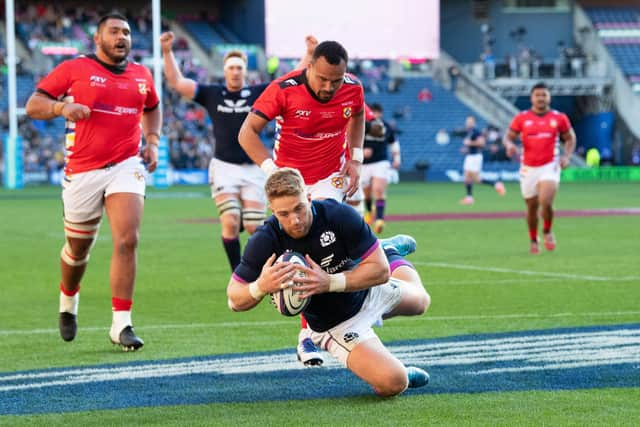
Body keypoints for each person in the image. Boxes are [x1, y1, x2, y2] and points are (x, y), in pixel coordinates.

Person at [226, 168, 430, 396]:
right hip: (337, 325)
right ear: (272, 210)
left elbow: (381, 272)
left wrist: (329, 282)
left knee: (422, 302)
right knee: (394, 383)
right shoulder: (265, 241)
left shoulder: (338, 215)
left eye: (299, 208)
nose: (294, 220)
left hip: (365, 288)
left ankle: (385, 251)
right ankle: (401, 372)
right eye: (283, 214)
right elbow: (234, 299)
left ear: (309, 198)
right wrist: (260, 287)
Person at [24, 13, 162, 350]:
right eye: (114, 31)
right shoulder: (74, 69)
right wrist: (61, 110)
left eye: (127, 32)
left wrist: (153, 140)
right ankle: (68, 300)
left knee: (127, 239)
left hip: (126, 165)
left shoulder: (142, 75)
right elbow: (33, 104)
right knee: (78, 248)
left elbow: (153, 107)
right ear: (97, 38)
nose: (122, 37)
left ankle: (121, 324)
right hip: (83, 171)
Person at [238, 40, 365, 366]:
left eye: (335, 80)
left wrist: (357, 158)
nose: (329, 86)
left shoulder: (352, 89)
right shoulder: (284, 89)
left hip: (328, 179)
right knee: (305, 257)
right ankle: (310, 334)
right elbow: (247, 133)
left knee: (324, 253)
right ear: (309, 67)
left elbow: (359, 115)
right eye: (322, 78)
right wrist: (273, 173)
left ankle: (312, 334)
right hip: (291, 184)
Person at [160, 32, 317, 271]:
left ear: (245, 71)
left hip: (255, 168)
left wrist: (308, 53)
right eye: (231, 67)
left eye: (239, 67)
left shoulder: (257, 93)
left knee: (256, 226)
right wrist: (166, 51)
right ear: (225, 70)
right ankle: (239, 272)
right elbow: (177, 82)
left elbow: (289, 79)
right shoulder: (212, 93)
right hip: (224, 167)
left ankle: (269, 267)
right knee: (230, 221)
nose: (235, 71)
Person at [503, 82, 576, 254]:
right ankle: (533, 238)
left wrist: (566, 156)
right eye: (537, 95)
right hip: (528, 168)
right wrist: (509, 145)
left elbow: (570, 138)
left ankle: (547, 230)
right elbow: (508, 137)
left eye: (544, 95)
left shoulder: (559, 118)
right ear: (532, 98)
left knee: (545, 201)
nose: (541, 98)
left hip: (550, 165)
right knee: (531, 207)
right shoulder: (521, 118)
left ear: (549, 97)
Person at [361, 103, 401, 234]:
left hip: (381, 161)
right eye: (374, 113)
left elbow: (393, 142)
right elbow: (350, 141)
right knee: (366, 193)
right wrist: (361, 152)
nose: (376, 116)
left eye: (378, 113)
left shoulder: (385, 127)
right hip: (363, 164)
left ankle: (379, 219)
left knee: (379, 190)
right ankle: (369, 211)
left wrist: (397, 158)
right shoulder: (361, 125)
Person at [459, 115, 505, 205]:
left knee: (475, 179)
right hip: (470, 156)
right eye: (467, 121)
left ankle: (496, 184)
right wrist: (467, 149)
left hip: (475, 157)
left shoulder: (476, 132)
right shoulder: (470, 132)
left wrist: (470, 143)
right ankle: (469, 198)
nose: (468, 123)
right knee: (469, 177)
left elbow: (482, 143)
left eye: (470, 121)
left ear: (474, 123)